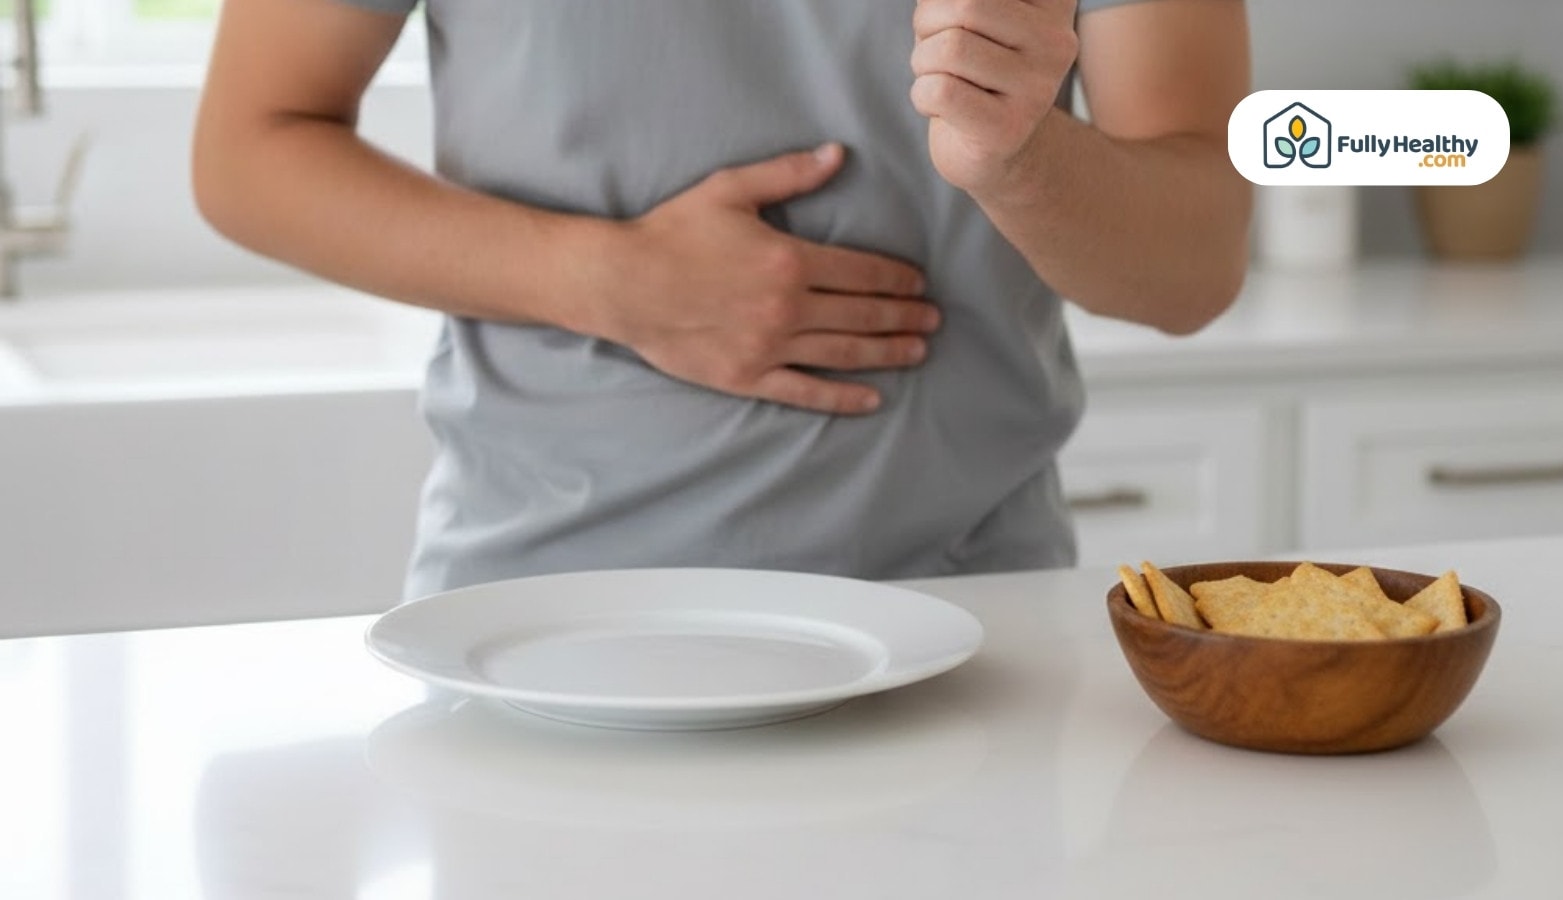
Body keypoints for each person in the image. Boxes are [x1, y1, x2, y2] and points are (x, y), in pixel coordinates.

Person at [193, 0, 1251, 598]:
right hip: (540, 620)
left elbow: (1194, 268)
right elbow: (249, 149)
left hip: (967, 617)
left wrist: (1020, 153)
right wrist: (609, 281)